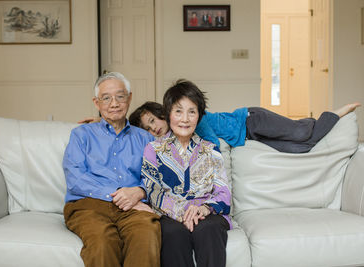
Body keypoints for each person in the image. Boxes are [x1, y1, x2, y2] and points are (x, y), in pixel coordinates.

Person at [63, 72, 161, 267]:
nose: (114, 103)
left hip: (133, 206)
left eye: (120, 96)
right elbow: (75, 178)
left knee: (146, 235)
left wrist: (139, 191)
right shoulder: (81, 134)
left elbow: (156, 177)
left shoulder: (145, 139)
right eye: (106, 98)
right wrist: (117, 196)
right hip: (88, 205)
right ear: (96, 103)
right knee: (102, 241)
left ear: (129, 98)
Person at [141, 80, 232, 267]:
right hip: (170, 215)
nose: (185, 119)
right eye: (178, 111)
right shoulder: (153, 150)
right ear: (168, 115)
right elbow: (153, 192)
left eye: (192, 111)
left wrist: (203, 209)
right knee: (173, 233)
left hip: (206, 214)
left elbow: (224, 193)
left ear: (198, 116)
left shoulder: (211, 150)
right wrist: (183, 213)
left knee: (209, 228)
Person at [128, 82, 360, 153]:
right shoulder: (175, 135)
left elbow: (212, 146)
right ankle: (324, 123)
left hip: (251, 120)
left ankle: (331, 115)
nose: (153, 129)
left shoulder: (198, 122)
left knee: (301, 132)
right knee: (302, 148)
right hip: (250, 137)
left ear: (163, 114)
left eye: (153, 121)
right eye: (147, 129)